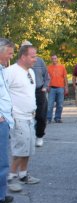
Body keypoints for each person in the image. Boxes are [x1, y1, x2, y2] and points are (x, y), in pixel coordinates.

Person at [5, 44, 40, 192]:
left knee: (29, 148)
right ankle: (11, 178)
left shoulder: (30, 72)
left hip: (30, 117)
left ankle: (23, 175)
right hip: (17, 117)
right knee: (20, 149)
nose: (35, 59)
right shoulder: (10, 72)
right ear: (23, 56)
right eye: (32, 56)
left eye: (35, 56)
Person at [21, 41, 49, 147]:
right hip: (25, 92)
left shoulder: (40, 61)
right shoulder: (18, 64)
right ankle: (28, 136)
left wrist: (45, 87)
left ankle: (39, 136)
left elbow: (47, 76)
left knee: (41, 116)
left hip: (39, 91)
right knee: (26, 116)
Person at [0, 38, 15, 203]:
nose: (10, 56)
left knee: (2, 161)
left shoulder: (2, 70)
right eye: (9, 53)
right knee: (1, 163)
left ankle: (1, 194)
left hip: (5, 120)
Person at [47, 53, 68, 123]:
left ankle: (58, 117)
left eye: (55, 58)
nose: (54, 60)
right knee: (50, 104)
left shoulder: (62, 67)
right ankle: (48, 118)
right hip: (52, 88)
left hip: (60, 88)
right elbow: (47, 78)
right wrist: (47, 86)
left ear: (57, 59)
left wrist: (66, 87)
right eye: (52, 59)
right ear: (51, 60)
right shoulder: (48, 67)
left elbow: (65, 78)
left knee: (60, 104)